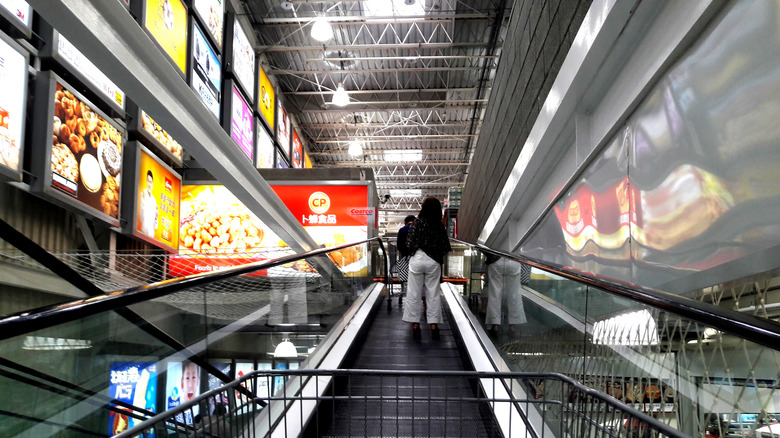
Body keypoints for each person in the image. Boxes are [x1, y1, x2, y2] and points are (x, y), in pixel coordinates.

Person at [403, 197, 451, 340]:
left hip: (417, 259)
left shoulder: (417, 223)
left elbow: (409, 243)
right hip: (433, 261)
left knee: (414, 292)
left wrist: (416, 250)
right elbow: (445, 246)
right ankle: (434, 325)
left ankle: (416, 325)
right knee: (433, 293)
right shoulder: (439, 225)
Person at [484, 255, 528, 336]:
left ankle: (495, 324)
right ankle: (513, 324)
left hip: (496, 260)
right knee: (514, 293)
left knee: (495, 293)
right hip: (513, 260)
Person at [395, 215, 416, 294]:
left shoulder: (402, 230)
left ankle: (404, 288)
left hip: (405, 257)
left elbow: (399, 246)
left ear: (405, 222)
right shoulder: (417, 229)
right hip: (416, 257)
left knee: (405, 274)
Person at [138, 169, 158, 237]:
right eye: (148, 181)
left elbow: (156, 226)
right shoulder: (142, 194)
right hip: (143, 233)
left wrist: (156, 218)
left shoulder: (154, 200)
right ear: (146, 181)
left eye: (151, 182)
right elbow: (141, 217)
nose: (149, 184)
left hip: (152, 235)